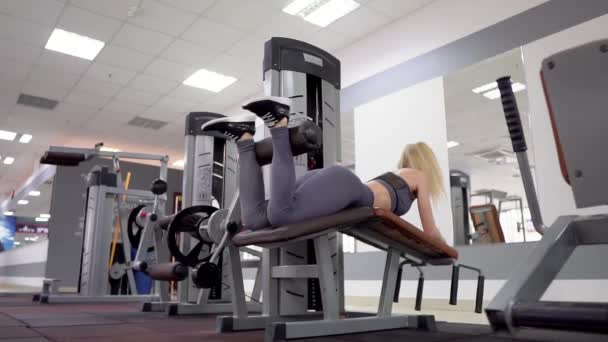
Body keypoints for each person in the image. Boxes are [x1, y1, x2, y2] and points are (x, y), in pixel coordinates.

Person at [202, 97, 446, 242]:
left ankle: (244, 138)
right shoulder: (420, 176)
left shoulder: (399, 175)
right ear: (427, 164)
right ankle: (279, 121)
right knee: (280, 215)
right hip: (345, 185)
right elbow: (431, 231)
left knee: (254, 219)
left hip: (335, 182)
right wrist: (445, 249)